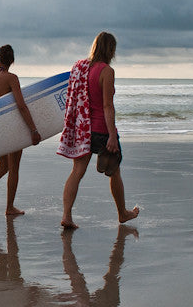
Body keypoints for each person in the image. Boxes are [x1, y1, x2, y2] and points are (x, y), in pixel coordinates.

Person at [58, 31, 141, 229]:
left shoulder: (80, 67)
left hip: (84, 128)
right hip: (101, 129)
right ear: (111, 49)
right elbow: (107, 106)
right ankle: (122, 213)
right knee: (115, 172)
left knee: (77, 171)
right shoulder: (106, 71)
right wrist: (112, 135)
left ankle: (66, 216)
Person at [0, 45, 43, 216]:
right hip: (12, 128)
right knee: (14, 168)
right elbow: (21, 106)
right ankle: (9, 207)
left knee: (3, 166)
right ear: (12, 60)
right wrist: (33, 130)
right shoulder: (11, 78)